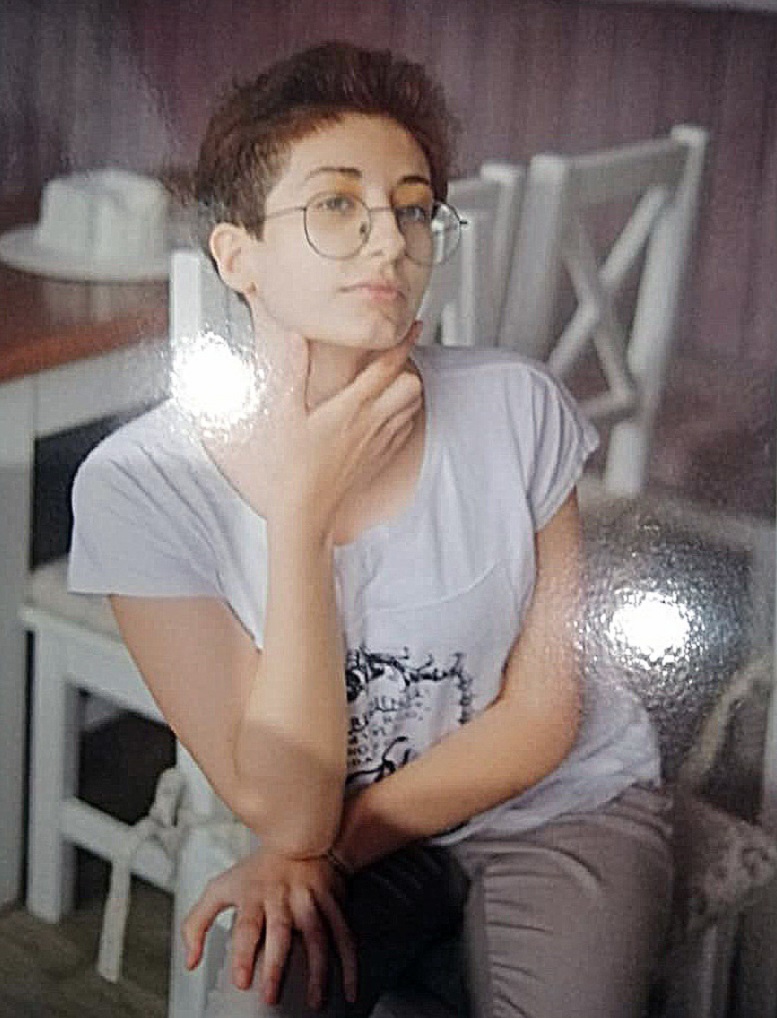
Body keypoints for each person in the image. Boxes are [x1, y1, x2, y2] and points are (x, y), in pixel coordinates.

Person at [69, 41, 673, 1018]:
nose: (390, 240)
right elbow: (289, 807)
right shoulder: (139, 486)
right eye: (337, 205)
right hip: (333, 817)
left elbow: (540, 721)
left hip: (561, 806)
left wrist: (328, 852)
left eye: (413, 208)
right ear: (237, 255)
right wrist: (301, 515)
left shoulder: (518, 407)